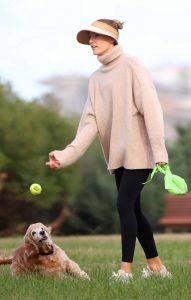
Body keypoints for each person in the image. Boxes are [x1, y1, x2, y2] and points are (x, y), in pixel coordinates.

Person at [46, 19, 172, 282]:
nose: (92, 41)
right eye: (90, 37)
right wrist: (65, 155)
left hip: (141, 152)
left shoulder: (132, 65)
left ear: (113, 39)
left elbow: (151, 108)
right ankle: (156, 268)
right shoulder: (96, 79)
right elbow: (89, 122)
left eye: (97, 37)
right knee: (134, 210)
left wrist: (159, 150)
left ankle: (125, 271)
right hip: (118, 155)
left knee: (123, 204)